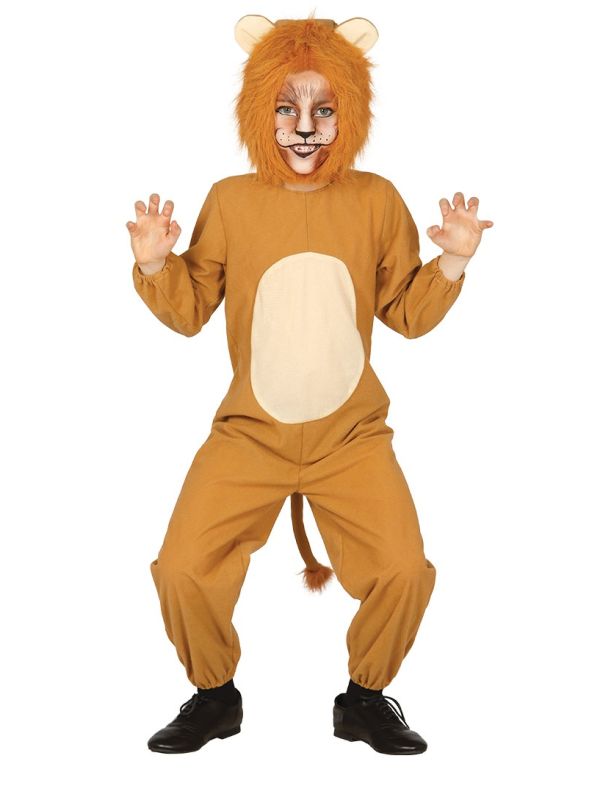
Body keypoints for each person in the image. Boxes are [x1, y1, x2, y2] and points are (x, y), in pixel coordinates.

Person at [126, 14, 493, 756]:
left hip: (350, 438)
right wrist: (157, 263)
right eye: (285, 108)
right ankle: (214, 696)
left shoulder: (375, 198)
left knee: (404, 570)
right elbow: (190, 312)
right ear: (258, 113)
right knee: (182, 567)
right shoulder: (232, 199)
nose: (303, 127)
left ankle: (364, 700)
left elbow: (407, 314)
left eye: (323, 110)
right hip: (249, 436)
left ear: (348, 114)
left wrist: (453, 260)